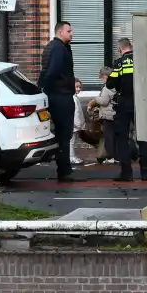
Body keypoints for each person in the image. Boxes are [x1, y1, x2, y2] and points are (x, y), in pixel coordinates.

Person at [107, 37, 147, 182]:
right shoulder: (141, 61)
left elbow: (109, 84)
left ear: (120, 49)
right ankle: (145, 172)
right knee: (143, 137)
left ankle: (126, 173)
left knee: (122, 137)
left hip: (124, 103)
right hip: (141, 102)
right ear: (130, 47)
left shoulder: (119, 63)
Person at [39, 21, 77, 182]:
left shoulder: (54, 48)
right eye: (69, 31)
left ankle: (64, 168)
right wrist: (47, 88)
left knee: (62, 134)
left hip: (56, 94)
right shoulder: (58, 49)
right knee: (64, 134)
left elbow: (47, 72)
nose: (72, 34)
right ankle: (64, 170)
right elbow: (52, 72)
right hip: (60, 96)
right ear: (60, 32)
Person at [88, 67, 117, 164]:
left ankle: (111, 157)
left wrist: (96, 99)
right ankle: (117, 155)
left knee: (109, 137)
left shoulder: (106, 88)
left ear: (105, 77)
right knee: (116, 136)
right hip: (116, 115)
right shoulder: (117, 86)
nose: (102, 80)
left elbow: (104, 101)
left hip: (107, 116)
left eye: (102, 78)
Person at [70, 79, 86, 166]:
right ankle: (71, 157)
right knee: (71, 141)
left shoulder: (74, 97)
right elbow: (76, 113)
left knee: (72, 141)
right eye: (76, 87)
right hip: (74, 124)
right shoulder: (74, 99)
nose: (79, 89)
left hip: (73, 124)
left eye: (80, 87)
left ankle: (71, 156)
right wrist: (79, 124)